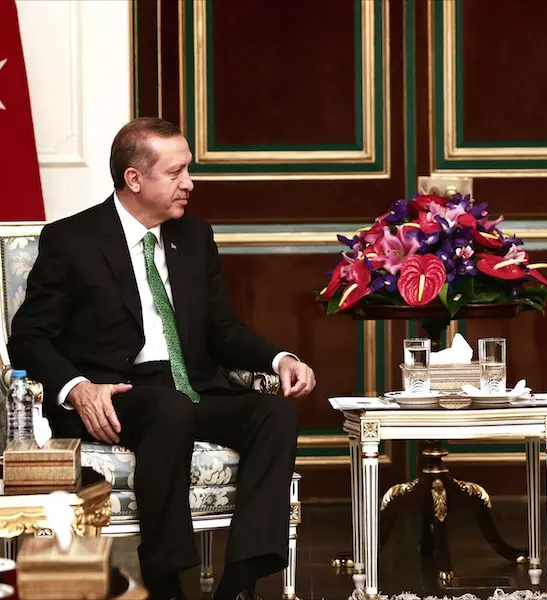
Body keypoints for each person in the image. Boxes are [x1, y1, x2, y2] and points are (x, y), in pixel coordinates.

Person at [8, 117, 316, 600]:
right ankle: (167, 582)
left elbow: (222, 328)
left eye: (187, 169)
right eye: (176, 172)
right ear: (134, 179)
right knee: (168, 409)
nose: (189, 183)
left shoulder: (193, 236)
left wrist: (278, 359)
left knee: (274, 414)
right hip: (118, 395)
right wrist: (78, 388)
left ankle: (239, 582)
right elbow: (29, 337)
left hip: (189, 387)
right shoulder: (72, 239)